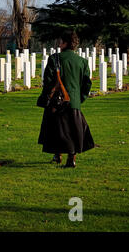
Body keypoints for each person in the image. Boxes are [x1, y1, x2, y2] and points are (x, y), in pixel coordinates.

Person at [37, 31, 95, 168]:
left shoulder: (54, 59)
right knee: (73, 131)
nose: (59, 43)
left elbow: (48, 81)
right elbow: (87, 84)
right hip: (74, 102)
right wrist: (80, 99)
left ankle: (59, 155)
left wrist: (46, 97)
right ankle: (71, 158)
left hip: (57, 102)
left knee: (57, 130)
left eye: (61, 41)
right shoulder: (82, 62)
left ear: (65, 43)